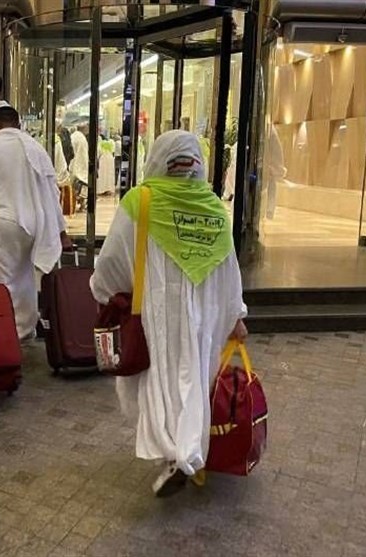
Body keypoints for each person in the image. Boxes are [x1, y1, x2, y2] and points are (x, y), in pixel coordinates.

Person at [90, 130, 248, 498]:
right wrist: (236, 314)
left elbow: (112, 260)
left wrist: (104, 291)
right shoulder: (213, 207)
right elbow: (230, 269)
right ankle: (187, 450)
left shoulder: (140, 201)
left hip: (157, 312)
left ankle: (179, 453)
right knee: (194, 379)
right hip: (206, 314)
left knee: (161, 381)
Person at [0, 106, 71, 340]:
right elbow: (51, 191)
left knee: (0, 282)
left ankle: (4, 334)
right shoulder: (35, 147)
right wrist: (61, 233)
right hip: (34, 222)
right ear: (18, 125)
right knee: (25, 278)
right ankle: (25, 329)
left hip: (3, 223)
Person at [69, 123, 90, 211]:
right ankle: (81, 205)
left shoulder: (73, 136)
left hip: (71, 163)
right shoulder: (82, 138)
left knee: (72, 186)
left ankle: (72, 205)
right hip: (79, 165)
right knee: (82, 187)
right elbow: (83, 155)